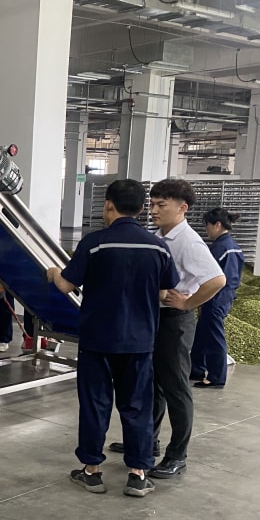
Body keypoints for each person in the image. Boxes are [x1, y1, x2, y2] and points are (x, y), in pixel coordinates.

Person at [47, 179, 179, 497]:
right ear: (142, 208)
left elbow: (66, 285)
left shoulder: (95, 244)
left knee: (96, 404)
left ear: (108, 205)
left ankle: (91, 471)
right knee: (138, 406)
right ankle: (138, 474)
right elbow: (164, 292)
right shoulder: (158, 247)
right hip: (140, 341)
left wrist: (52, 272)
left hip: (98, 339)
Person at [108, 179, 225, 479]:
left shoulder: (188, 242)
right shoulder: (158, 236)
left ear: (182, 208)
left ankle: (177, 455)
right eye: (153, 204)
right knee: (152, 384)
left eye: (162, 205)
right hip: (154, 318)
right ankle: (148, 443)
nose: (154, 210)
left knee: (175, 387)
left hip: (175, 321)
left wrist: (187, 303)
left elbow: (217, 280)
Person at [189, 208, 244, 389]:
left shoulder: (221, 247)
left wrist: (199, 297)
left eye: (207, 226)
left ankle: (216, 376)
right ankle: (196, 368)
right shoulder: (233, 246)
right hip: (225, 296)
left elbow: (213, 277)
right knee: (202, 333)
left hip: (216, 297)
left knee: (214, 336)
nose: (206, 230)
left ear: (217, 225)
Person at [0, 283, 36, 353]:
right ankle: (4, 339)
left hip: (30, 278)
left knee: (30, 300)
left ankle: (30, 337)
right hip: (7, 277)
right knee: (5, 301)